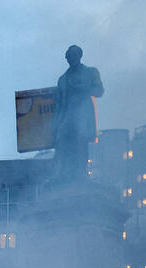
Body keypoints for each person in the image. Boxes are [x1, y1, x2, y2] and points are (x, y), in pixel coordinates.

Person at [51, 44, 103, 182]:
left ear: (79, 56)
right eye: (69, 57)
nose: (71, 59)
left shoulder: (91, 72)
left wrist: (84, 89)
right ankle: (60, 173)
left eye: (73, 56)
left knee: (80, 141)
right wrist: (56, 124)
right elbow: (60, 104)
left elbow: (99, 91)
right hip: (67, 116)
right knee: (62, 141)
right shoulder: (62, 80)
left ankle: (81, 173)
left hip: (83, 115)